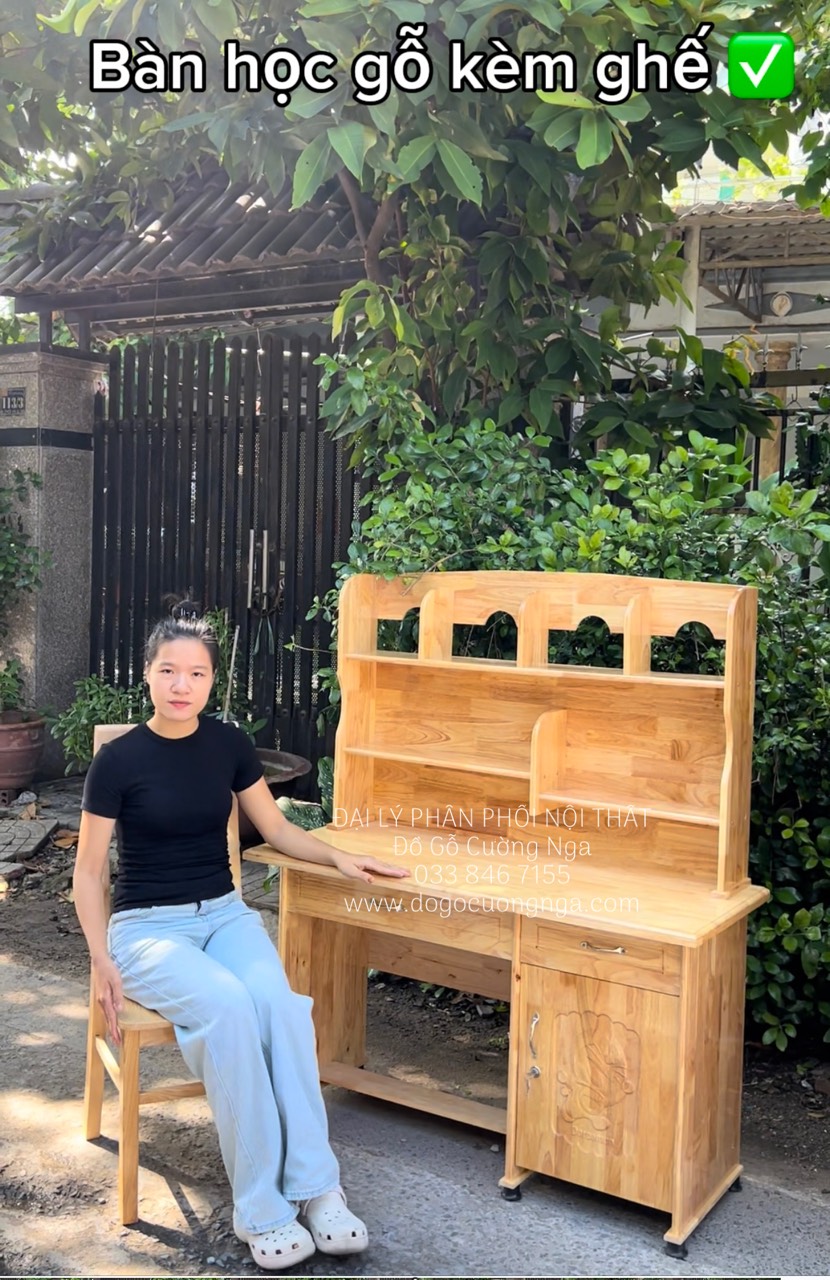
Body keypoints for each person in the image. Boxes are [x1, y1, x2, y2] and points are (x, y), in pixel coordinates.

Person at [73, 604, 410, 1271]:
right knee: (228, 1009)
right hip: (146, 930)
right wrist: (101, 958)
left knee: (279, 1007)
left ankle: (318, 1189)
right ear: (147, 674)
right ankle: (262, 1210)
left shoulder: (228, 744)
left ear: (212, 680)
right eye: (168, 670)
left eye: (196, 673)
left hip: (224, 916)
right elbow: (87, 874)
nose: (182, 684)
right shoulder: (118, 760)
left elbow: (276, 829)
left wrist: (340, 857)